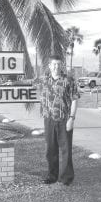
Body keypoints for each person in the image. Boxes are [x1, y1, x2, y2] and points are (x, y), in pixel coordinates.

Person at [39, 54, 80, 186]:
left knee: (65, 150)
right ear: (49, 66)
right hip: (49, 120)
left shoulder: (68, 80)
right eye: (54, 64)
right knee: (50, 150)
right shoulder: (44, 80)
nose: (56, 67)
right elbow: (27, 85)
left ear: (61, 65)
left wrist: (72, 119)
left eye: (58, 64)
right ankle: (52, 176)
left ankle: (66, 178)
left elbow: (74, 100)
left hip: (64, 120)